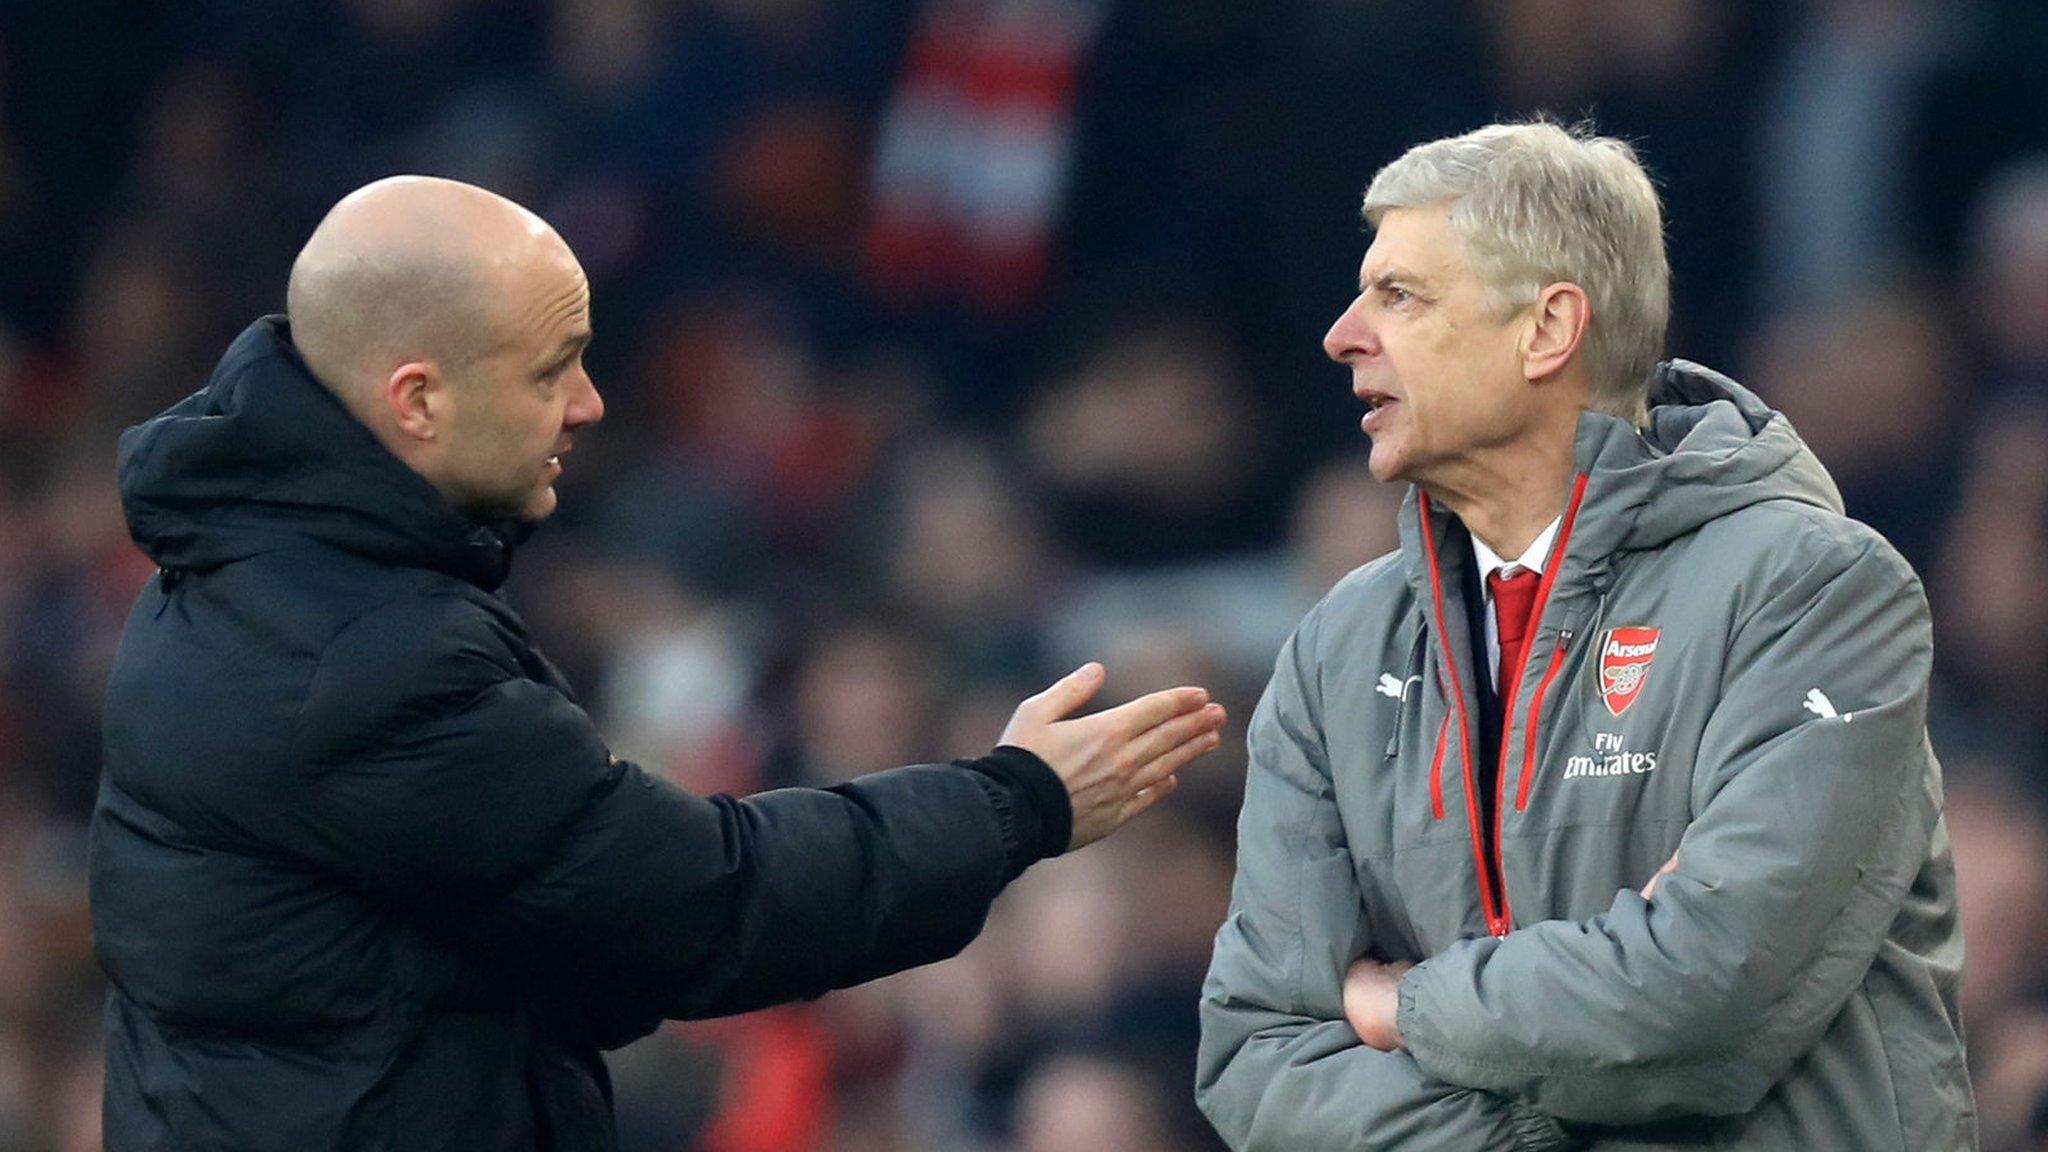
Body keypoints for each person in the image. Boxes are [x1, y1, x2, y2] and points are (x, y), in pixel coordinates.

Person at [92, 175, 1227, 1150]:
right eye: (551, 372)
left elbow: (552, 947)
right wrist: (1013, 803)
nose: (589, 405)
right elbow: (689, 908)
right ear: (418, 402)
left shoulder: (246, 577)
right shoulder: (364, 656)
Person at [1195, 122, 1974, 1150]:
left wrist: (1400, 1009)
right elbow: (1254, 1056)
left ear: (1547, 329)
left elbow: (1699, 997)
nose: (1342, 334)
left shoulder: (1815, 589)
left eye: (1399, 295)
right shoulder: (1339, 648)